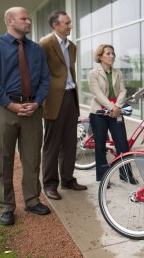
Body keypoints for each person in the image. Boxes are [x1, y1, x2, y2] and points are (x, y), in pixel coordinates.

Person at [0, 7, 51, 225]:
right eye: (24, 18)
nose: (28, 21)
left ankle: (32, 200)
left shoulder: (37, 49)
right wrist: (10, 104)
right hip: (4, 109)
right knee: (3, 159)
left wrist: (37, 102)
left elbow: (45, 79)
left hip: (33, 109)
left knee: (32, 158)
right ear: (9, 21)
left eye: (29, 18)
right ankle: (6, 207)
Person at [40, 11, 87, 201]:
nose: (70, 26)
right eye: (66, 23)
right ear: (55, 25)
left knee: (69, 143)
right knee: (52, 145)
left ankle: (67, 179)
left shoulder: (72, 46)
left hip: (70, 98)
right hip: (53, 100)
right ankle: (50, 185)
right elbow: (40, 74)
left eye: (70, 22)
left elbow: (69, 72)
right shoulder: (44, 45)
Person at [88, 44, 136, 184]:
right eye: (108, 53)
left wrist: (117, 107)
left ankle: (126, 175)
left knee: (122, 144)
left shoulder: (118, 73)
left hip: (116, 112)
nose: (112, 56)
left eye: (113, 53)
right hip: (99, 114)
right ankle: (103, 178)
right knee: (100, 146)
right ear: (100, 56)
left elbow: (122, 91)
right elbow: (97, 94)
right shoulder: (93, 73)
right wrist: (112, 107)